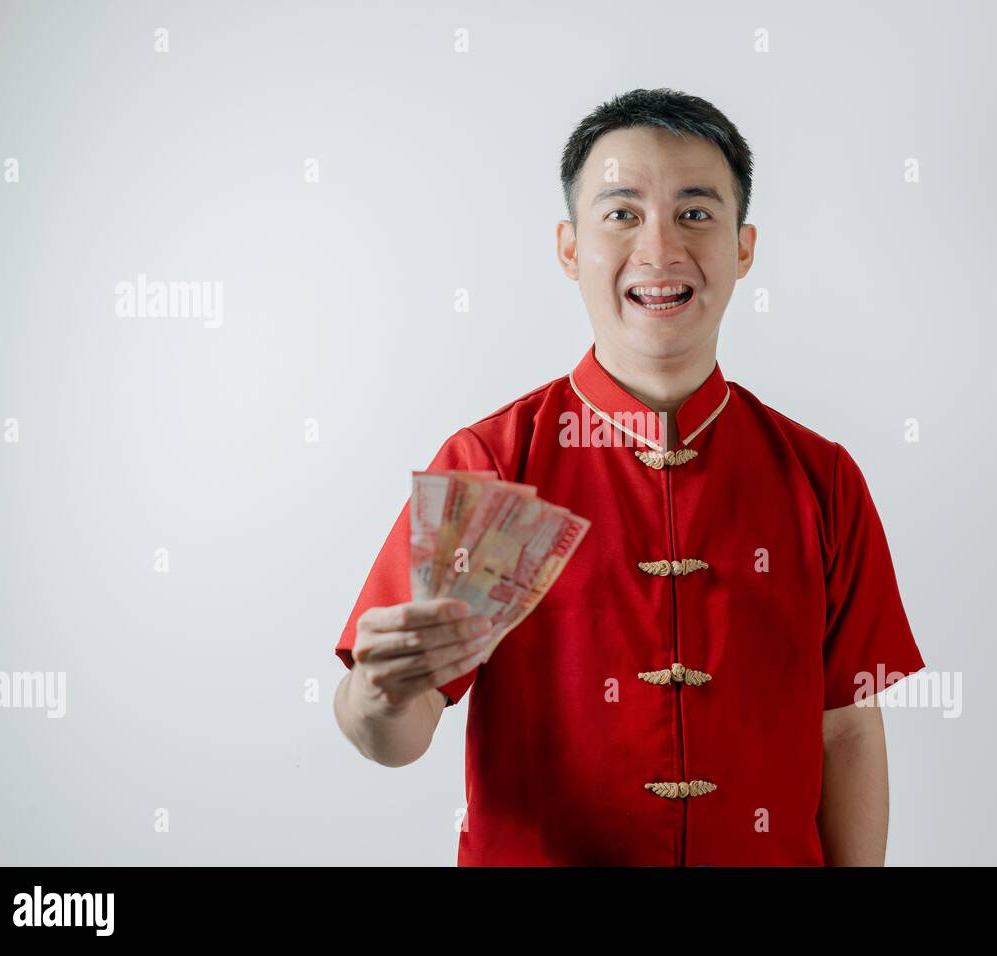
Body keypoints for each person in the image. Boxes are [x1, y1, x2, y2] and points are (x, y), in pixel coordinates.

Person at [333, 88, 925, 866]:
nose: (659, 250)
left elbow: (847, 724)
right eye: (621, 213)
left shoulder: (820, 476)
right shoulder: (493, 468)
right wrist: (382, 693)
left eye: (695, 212)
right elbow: (392, 736)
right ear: (570, 247)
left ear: (744, 248)